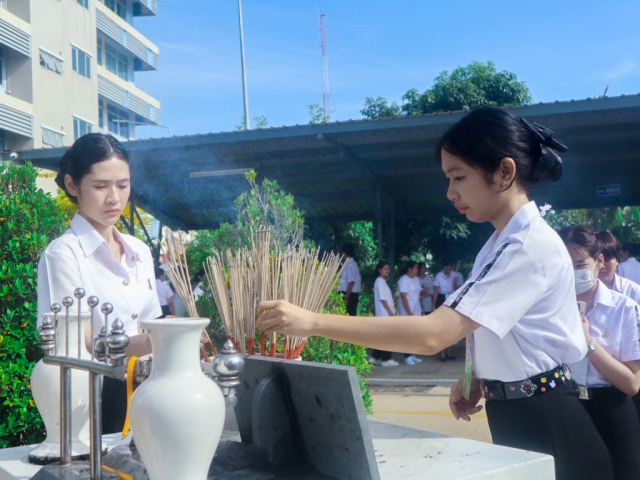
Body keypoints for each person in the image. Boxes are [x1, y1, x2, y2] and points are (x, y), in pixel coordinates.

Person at [257, 107, 616, 479]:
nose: (450, 192)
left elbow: (434, 334)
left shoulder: (526, 246)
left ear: (504, 172)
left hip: (547, 420)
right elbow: (508, 332)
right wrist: (478, 377)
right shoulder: (500, 243)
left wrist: (312, 322)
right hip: (522, 411)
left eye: (458, 177)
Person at [38, 133, 162, 435]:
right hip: (94, 400)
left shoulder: (139, 251)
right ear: (72, 185)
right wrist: (157, 340)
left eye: (123, 185)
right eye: (100, 186)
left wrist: (166, 336)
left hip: (148, 394)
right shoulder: (64, 254)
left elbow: (151, 322)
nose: (114, 198)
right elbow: (78, 344)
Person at [559, 226, 640, 479]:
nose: (574, 272)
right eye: (566, 265)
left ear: (599, 261)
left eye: (580, 264)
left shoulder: (624, 308)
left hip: (612, 409)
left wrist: (588, 343)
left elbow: (632, 383)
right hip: (567, 408)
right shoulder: (552, 310)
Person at [368, 261, 399, 367]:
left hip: (385, 313)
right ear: (379, 270)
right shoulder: (379, 282)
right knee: (387, 336)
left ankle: (375, 357)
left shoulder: (382, 282)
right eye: (385, 269)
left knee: (383, 337)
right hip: (384, 313)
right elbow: (383, 299)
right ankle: (386, 359)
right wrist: (390, 312)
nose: (387, 271)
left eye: (388, 269)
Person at [597, 231, 640, 304]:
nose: (602, 265)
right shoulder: (580, 292)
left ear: (617, 260)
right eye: (598, 260)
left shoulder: (634, 292)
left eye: (607, 259)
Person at [396, 261, 423, 366]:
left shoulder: (416, 279)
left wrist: (426, 291)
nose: (417, 270)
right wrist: (409, 312)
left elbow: (419, 293)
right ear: (409, 269)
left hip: (416, 309)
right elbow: (404, 297)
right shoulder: (403, 280)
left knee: (414, 333)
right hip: (407, 310)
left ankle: (412, 354)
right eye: (416, 268)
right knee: (407, 333)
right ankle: (407, 356)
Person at [338, 244, 362, 316]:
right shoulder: (347, 264)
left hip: (350, 294)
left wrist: (346, 298)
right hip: (346, 293)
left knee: (349, 315)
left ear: (344, 253)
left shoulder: (351, 265)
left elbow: (351, 282)